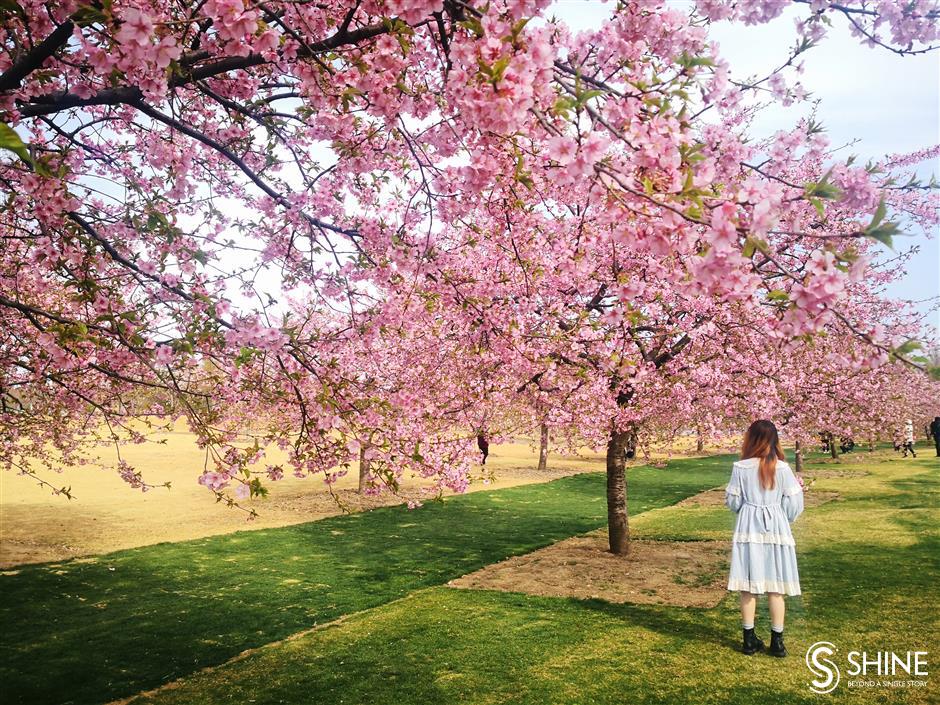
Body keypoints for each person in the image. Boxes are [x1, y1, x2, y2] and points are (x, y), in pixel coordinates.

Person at [725, 420, 804, 657]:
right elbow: (794, 503)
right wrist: (781, 516)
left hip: (748, 527)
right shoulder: (782, 468)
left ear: (751, 439)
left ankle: (749, 640)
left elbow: (733, 502)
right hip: (776, 528)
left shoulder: (740, 467)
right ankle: (777, 642)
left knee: (748, 585)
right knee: (776, 585)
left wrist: (748, 508)